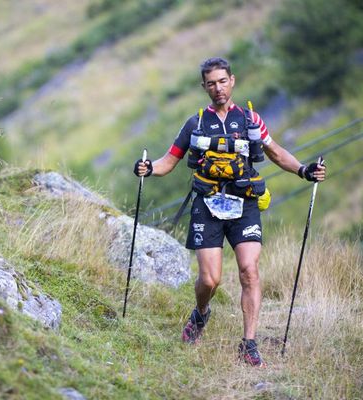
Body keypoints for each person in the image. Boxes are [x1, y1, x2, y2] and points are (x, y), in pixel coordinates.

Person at [134, 57, 326, 367]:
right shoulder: (194, 123)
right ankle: (201, 313)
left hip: (245, 204)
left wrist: (304, 170)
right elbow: (168, 162)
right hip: (207, 205)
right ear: (204, 87)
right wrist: (146, 168)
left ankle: (248, 343)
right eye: (211, 83)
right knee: (210, 281)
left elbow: (275, 153)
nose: (218, 88)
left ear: (232, 81)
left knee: (249, 270)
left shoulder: (250, 119)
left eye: (222, 81)